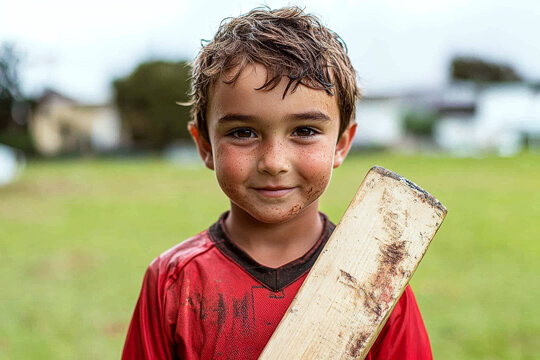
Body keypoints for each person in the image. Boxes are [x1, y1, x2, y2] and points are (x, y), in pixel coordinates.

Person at [122, 6, 432, 359]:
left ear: (341, 144)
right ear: (205, 146)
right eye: (243, 132)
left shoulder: (378, 279)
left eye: (304, 131)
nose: (273, 162)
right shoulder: (172, 281)